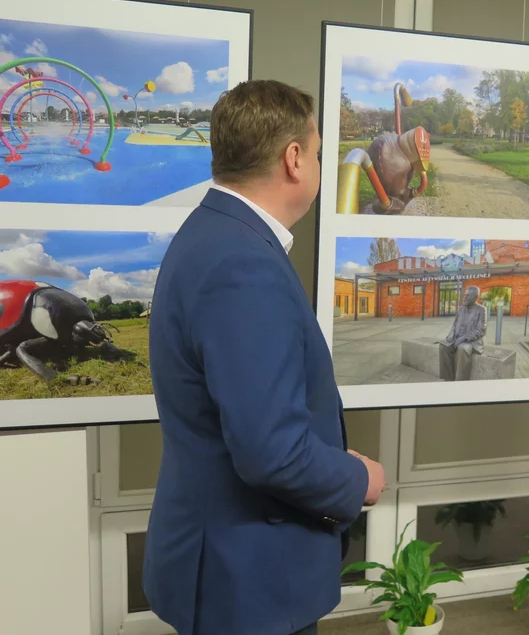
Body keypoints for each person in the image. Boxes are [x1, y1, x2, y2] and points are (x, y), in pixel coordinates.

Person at [143, 80, 386, 635]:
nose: (319, 164)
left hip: (230, 564)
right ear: (294, 159)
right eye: (318, 152)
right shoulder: (243, 264)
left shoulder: (212, 233)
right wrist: (358, 480)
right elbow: (271, 451)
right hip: (248, 579)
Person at [437, 285, 487, 381]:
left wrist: (464, 338)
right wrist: (450, 336)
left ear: (475, 297)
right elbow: (455, 325)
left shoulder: (481, 309)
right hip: (457, 338)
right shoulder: (460, 309)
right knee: (443, 346)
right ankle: (448, 378)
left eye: (467, 295)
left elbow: (481, 330)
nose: (464, 297)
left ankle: (461, 381)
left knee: (463, 348)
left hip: (471, 341)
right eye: (465, 295)